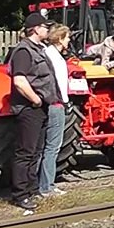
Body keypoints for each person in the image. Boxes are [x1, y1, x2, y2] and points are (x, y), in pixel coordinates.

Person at [8, 11, 61, 212]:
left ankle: (31, 189)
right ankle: (20, 194)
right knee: (25, 152)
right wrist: (36, 99)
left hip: (41, 107)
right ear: (35, 29)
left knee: (36, 152)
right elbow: (19, 80)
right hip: (30, 108)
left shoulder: (39, 49)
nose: (48, 30)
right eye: (45, 27)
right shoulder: (23, 51)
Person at [39, 24, 72, 197]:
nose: (69, 41)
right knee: (52, 147)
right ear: (60, 38)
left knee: (44, 147)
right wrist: (65, 102)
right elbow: (59, 83)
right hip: (56, 103)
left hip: (50, 103)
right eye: (67, 37)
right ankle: (47, 186)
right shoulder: (56, 58)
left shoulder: (47, 54)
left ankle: (41, 184)